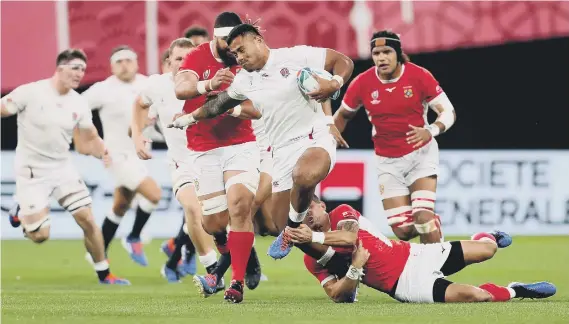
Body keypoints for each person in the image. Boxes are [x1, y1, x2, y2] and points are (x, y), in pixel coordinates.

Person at [169, 23, 354, 262]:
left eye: (242, 50)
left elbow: (343, 61)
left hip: (314, 137)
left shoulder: (295, 55)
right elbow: (217, 105)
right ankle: (337, 264)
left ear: (257, 40)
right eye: (235, 54)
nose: (240, 57)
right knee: (278, 224)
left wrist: (336, 83)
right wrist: (188, 118)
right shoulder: (245, 80)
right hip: (281, 153)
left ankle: (292, 227)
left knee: (304, 175)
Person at [0, 49, 129, 285]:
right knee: (40, 236)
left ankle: (105, 273)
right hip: (31, 172)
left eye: (82, 69)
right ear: (60, 68)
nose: (79, 73)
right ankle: (20, 211)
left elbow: (90, 135)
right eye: (75, 68)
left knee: (88, 219)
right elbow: (3, 108)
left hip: (62, 169)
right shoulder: (31, 92)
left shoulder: (78, 102)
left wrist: (104, 152)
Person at [288, 196, 556, 303]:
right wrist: (355, 270)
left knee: (488, 250)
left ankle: (486, 238)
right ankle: (516, 289)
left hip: (415, 254)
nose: (307, 215)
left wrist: (314, 234)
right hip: (406, 285)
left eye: (309, 208)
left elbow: (349, 237)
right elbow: (337, 295)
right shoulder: (314, 260)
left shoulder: (342, 212)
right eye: (302, 214)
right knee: (477, 296)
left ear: (321, 204)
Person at [172, 13, 263, 303]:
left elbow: (257, 109)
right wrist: (208, 86)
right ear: (215, 37)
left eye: (236, 42)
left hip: (240, 144)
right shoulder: (198, 57)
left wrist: (229, 108)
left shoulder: (247, 59)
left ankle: (235, 282)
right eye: (226, 41)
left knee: (239, 206)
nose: (232, 48)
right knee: (213, 224)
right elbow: (181, 88)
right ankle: (244, 253)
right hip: (203, 148)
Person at [334, 30, 456, 244]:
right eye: (376, 53)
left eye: (387, 52)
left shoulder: (419, 76)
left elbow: (448, 111)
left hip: (421, 155)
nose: (381, 57)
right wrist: (328, 138)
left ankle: (435, 271)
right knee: (403, 231)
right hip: (387, 161)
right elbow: (344, 114)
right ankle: (433, 227)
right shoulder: (363, 83)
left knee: (423, 217)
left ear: (398, 53)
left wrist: (431, 130)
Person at [82, 46, 161, 266]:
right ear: (112, 66)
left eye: (129, 60)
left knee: (120, 205)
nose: (124, 64)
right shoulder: (102, 89)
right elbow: (76, 110)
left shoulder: (148, 85)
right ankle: (134, 236)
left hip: (139, 154)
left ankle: (98, 251)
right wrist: (92, 142)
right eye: (119, 61)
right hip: (116, 156)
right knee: (154, 194)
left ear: (137, 63)